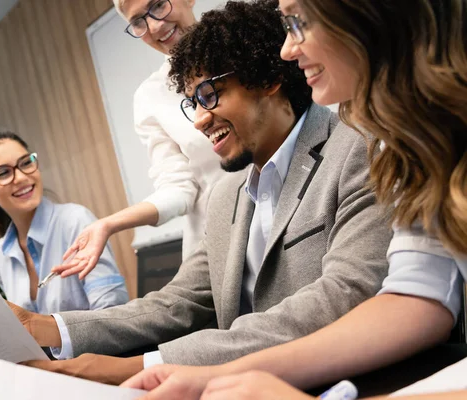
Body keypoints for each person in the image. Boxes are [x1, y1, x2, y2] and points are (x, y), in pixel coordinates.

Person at [10, 0, 391, 385]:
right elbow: (176, 303)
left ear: (267, 78)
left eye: (209, 95)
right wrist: (46, 326)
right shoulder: (227, 195)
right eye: (192, 102)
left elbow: (343, 297)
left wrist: (141, 367)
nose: (198, 120)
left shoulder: (358, 149)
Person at [121, 0, 467, 398]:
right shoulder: (409, 141)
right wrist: (219, 377)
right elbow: (415, 301)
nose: (284, 50)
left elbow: (358, 294)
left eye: (298, 21)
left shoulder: (362, 148)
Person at [55, 0, 227, 279]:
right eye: (138, 21)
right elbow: (178, 188)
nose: (155, 26)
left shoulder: (246, 44)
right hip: (221, 244)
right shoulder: (151, 96)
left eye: (158, 5)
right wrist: (109, 224)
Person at [0, 129, 129, 317]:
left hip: (97, 347)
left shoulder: (75, 221)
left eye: (26, 163)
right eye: (4, 173)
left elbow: (113, 314)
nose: (21, 177)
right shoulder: (1, 253)